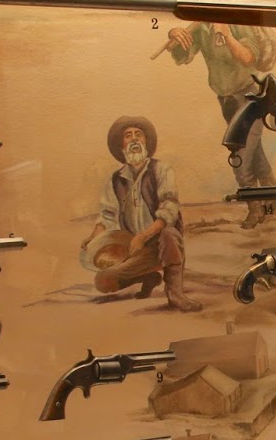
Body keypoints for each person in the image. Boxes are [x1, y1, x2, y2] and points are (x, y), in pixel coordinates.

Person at [165, 0, 276, 227]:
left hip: (251, 99)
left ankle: (255, 208)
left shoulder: (237, 20)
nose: (203, 4)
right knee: (255, 153)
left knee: (240, 156)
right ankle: (274, 196)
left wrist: (226, 35)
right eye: (198, 0)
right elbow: (182, 56)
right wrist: (174, 35)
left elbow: (249, 58)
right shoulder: (201, 28)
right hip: (226, 100)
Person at [81, 116, 200, 312]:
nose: (134, 139)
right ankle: (149, 277)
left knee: (169, 234)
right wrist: (94, 238)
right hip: (134, 248)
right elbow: (107, 215)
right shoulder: (115, 180)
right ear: (121, 145)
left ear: (146, 141)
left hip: (162, 243)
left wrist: (144, 236)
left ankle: (175, 295)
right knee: (103, 281)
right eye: (128, 136)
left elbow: (169, 209)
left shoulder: (161, 170)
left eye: (139, 134)